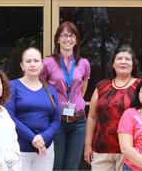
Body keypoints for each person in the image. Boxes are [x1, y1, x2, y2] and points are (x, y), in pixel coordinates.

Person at [40, 21, 91, 171]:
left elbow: (81, 90)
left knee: (72, 166)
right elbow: (42, 89)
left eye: (72, 35)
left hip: (79, 121)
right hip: (57, 121)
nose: (68, 39)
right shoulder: (47, 63)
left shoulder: (84, 63)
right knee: (56, 164)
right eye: (64, 35)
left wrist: (72, 100)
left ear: (76, 40)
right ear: (57, 39)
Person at [84, 44, 142, 171]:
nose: (123, 62)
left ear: (133, 64)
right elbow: (92, 117)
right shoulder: (101, 86)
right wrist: (88, 145)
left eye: (127, 59)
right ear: (113, 64)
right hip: (101, 149)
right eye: (119, 58)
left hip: (131, 150)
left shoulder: (141, 87)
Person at [5, 47, 61, 171]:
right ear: (22, 65)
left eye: (36, 61)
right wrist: (34, 139)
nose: (32, 64)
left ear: (42, 64)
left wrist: (43, 138)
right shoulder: (12, 86)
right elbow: (9, 116)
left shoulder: (51, 90)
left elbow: (56, 120)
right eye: (28, 61)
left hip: (44, 150)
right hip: (19, 149)